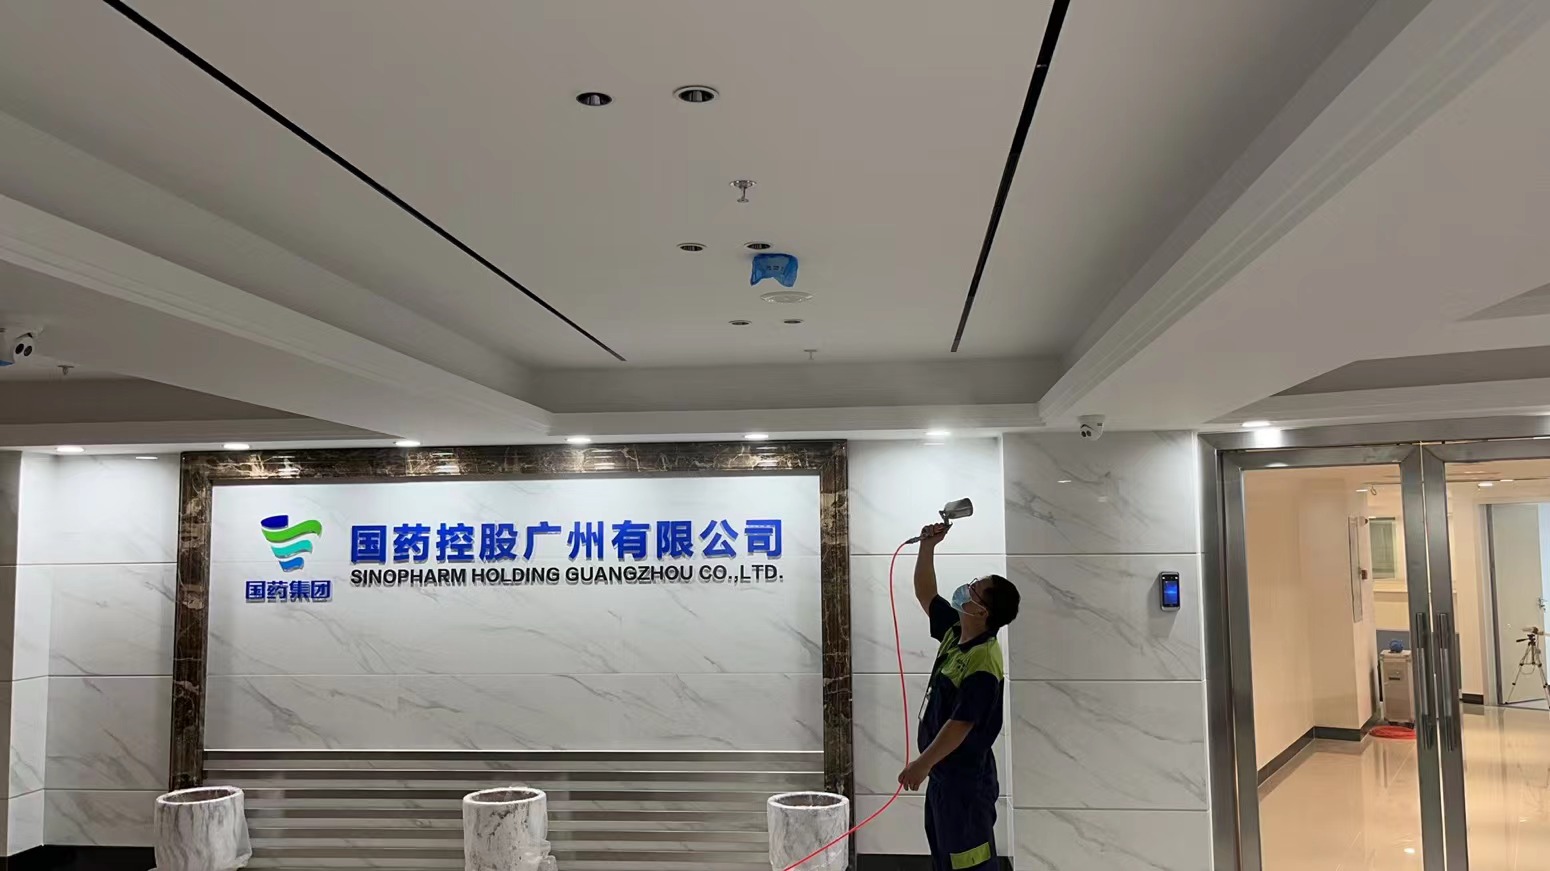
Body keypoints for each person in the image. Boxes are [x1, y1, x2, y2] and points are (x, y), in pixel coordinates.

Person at [897, 521, 1019, 871]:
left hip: (965, 783)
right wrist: (928, 546)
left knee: (969, 862)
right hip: (944, 777)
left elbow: (960, 725)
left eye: (974, 589)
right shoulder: (956, 632)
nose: (966, 588)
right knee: (945, 858)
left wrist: (922, 764)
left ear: (982, 612)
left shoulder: (983, 659)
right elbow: (926, 594)